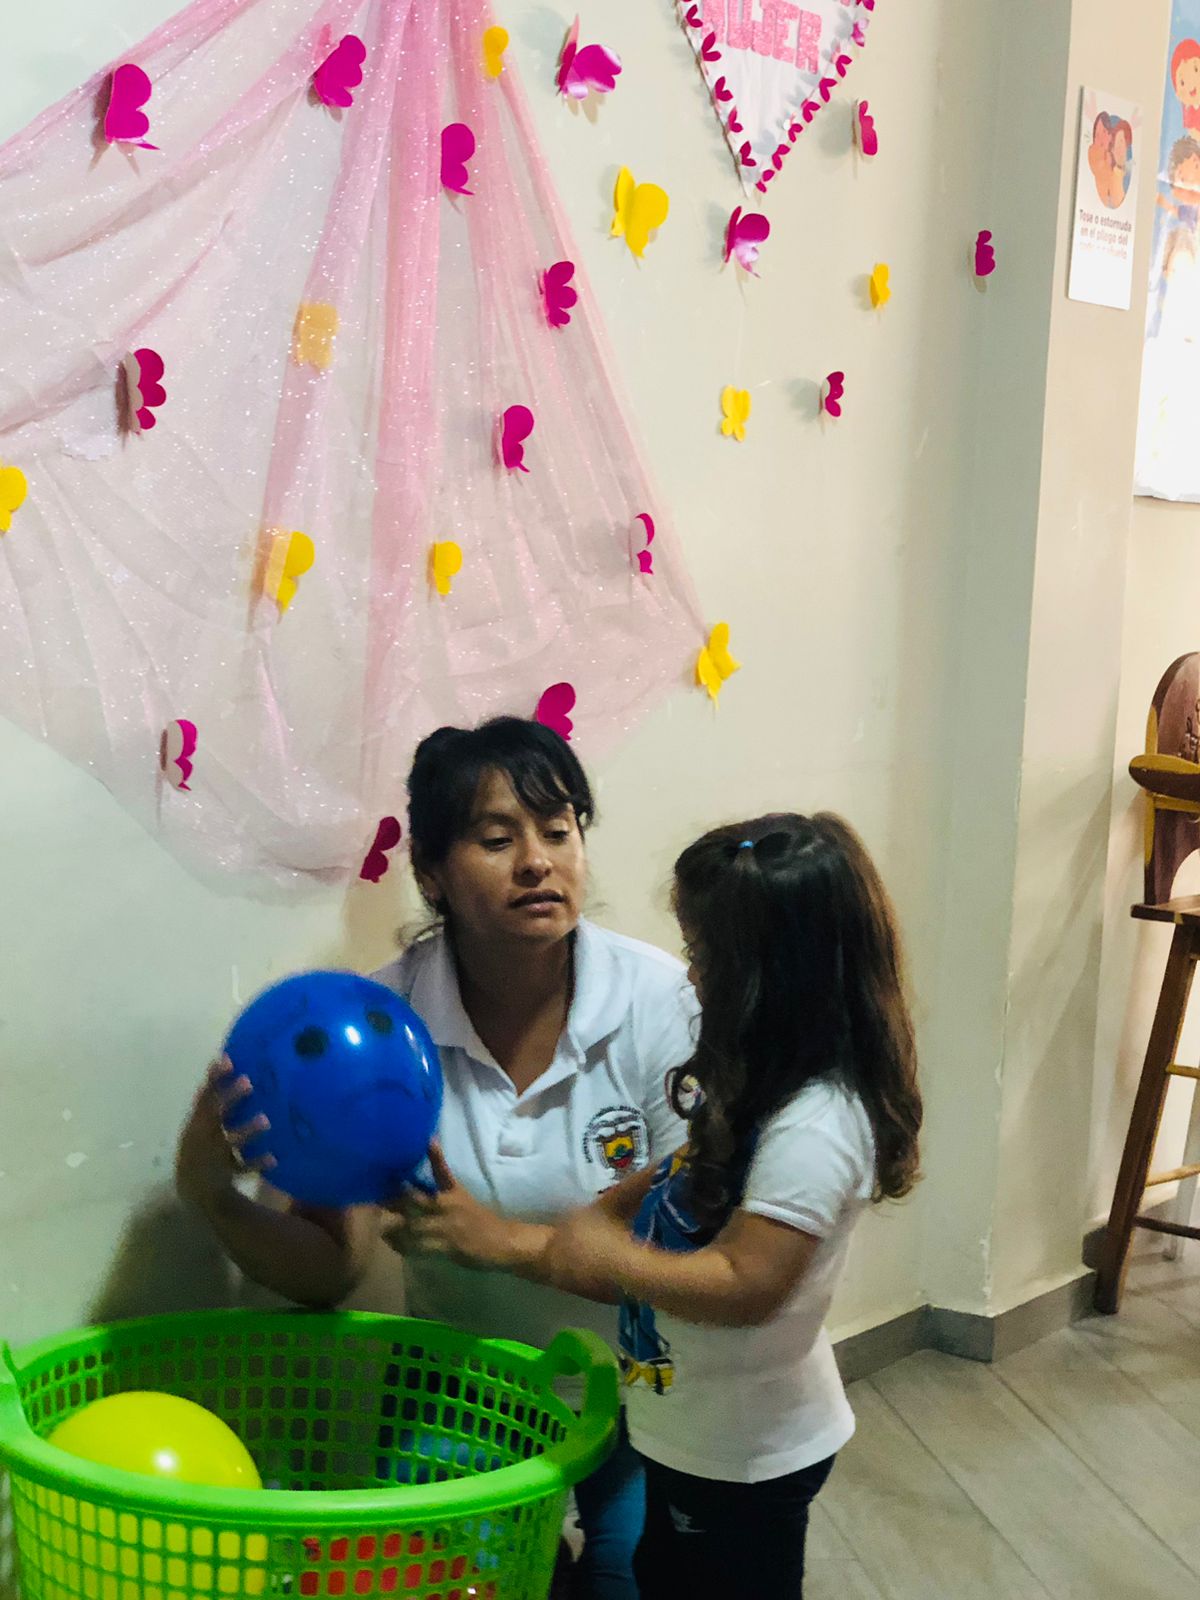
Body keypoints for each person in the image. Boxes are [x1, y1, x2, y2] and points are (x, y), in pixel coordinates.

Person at [175, 717, 698, 1600]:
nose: (537, 862)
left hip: (649, 1392)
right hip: (460, 1391)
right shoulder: (375, 1028)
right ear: (430, 874)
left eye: (558, 830)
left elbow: (696, 1259)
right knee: (435, 1584)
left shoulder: (660, 1003)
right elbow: (328, 1271)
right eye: (497, 839)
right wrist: (212, 1195)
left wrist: (508, 1244)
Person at [390, 812, 923, 1600]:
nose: (693, 979)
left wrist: (609, 1256)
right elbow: (685, 1168)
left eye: (707, 958)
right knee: (658, 1576)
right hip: (685, 1432)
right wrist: (605, 1213)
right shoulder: (760, 1089)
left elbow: (747, 1283)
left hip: (745, 1455)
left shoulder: (817, 1124)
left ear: (776, 978)